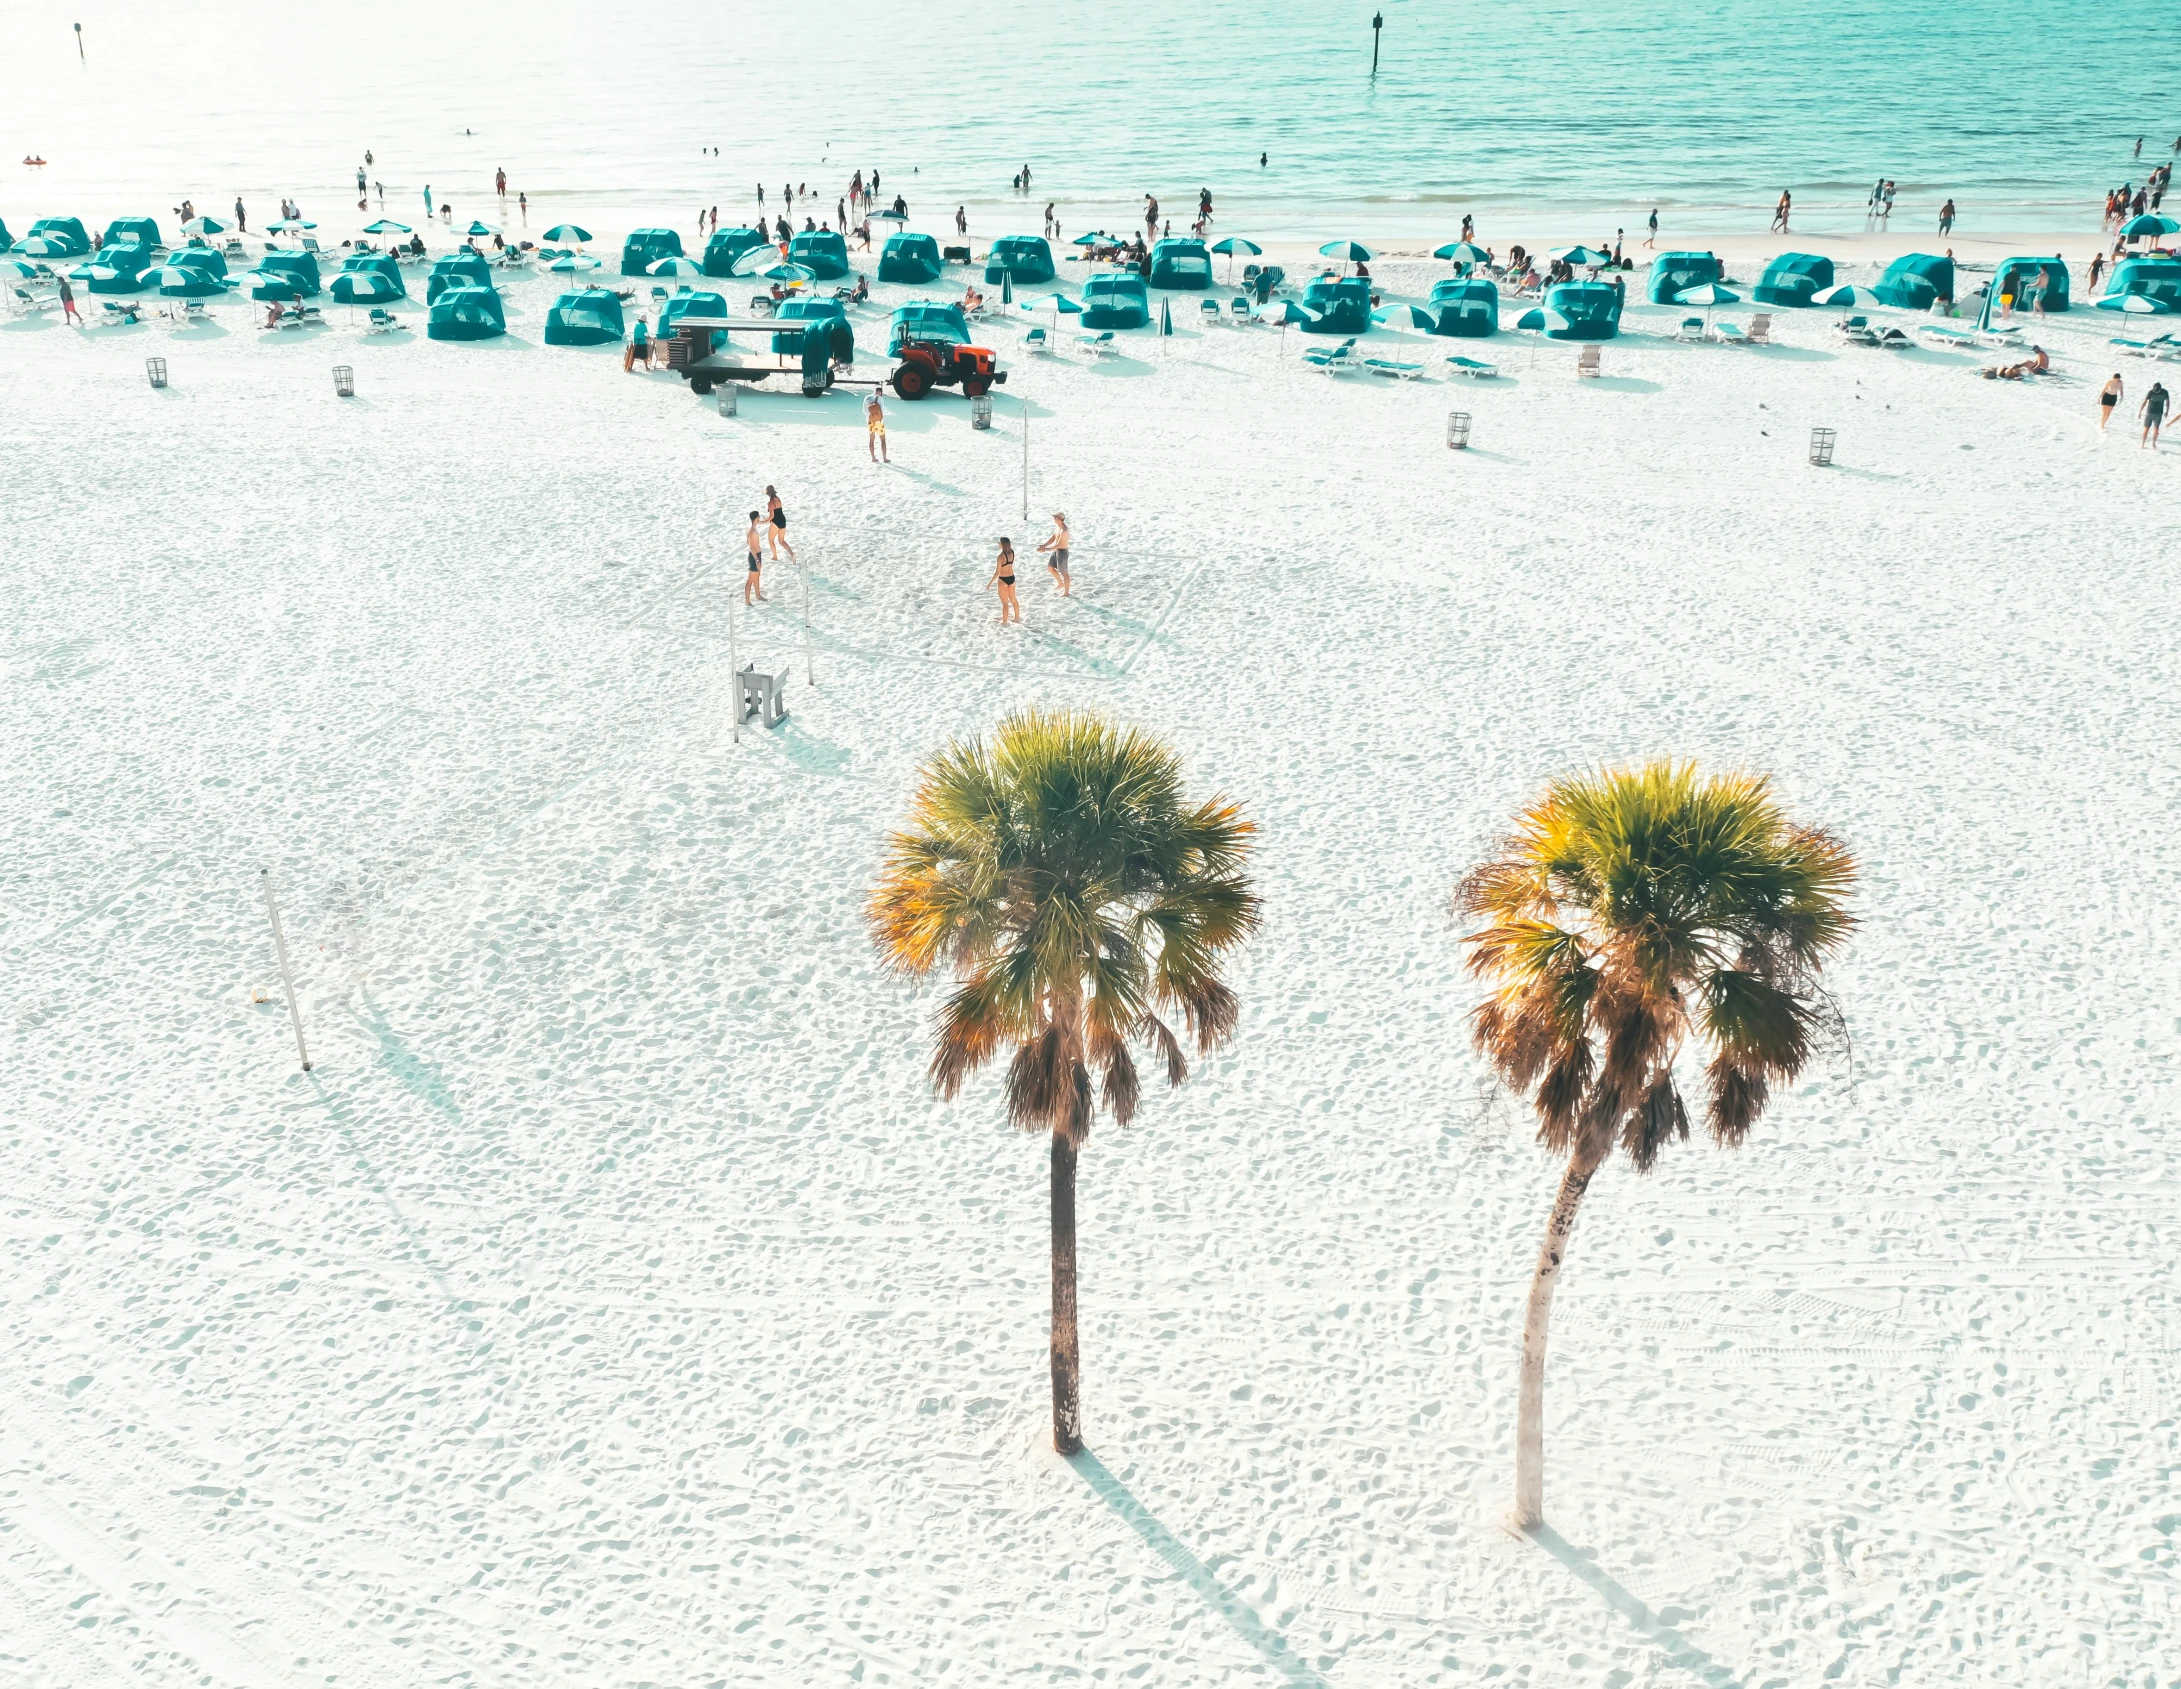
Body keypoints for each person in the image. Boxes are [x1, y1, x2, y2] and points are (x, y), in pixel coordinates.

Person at [1036, 512, 1071, 595]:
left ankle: (1066, 593)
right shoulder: (1058, 527)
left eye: (1055, 518)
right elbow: (1053, 538)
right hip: (1057, 551)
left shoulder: (1064, 530)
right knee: (1050, 568)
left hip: (1062, 552)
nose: (1054, 519)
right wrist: (1044, 545)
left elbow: (1058, 544)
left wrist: (1045, 549)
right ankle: (1060, 583)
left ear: (1059, 519)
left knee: (1064, 573)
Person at [988, 538, 1021, 624]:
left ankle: (1004, 622)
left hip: (1003, 579)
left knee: (1005, 603)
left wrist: (990, 583)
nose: (998, 543)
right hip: (1012, 578)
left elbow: (997, 572)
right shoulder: (1012, 552)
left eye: (999, 542)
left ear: (1003, 544)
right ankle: (1017, 618)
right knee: (1013, 599)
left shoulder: (1000, 557)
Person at [765, 485, 795, 562]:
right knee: (781, 541)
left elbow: (772, 516)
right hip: (782, 520)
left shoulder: (770, 503)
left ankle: (775, 556)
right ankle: (792, 554)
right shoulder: (778, 499)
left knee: (771, 540)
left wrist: (763, 521)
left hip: (776, 522)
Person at [745, 512, 768, 604]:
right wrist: (757, 560)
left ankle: (758, 595)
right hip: (754, 556)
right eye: (758, 516)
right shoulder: (752, 531)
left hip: (757, 554)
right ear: (756, 518)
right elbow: (751, 546)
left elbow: (748, 542)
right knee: (750, 579)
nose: (759, 518)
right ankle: (747, 601)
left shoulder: (751, 529)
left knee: (757, 576)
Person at [2143, 381, 2170, 448]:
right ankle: (2143, 444)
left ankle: (2153, 443)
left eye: (2157, 390)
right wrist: (2140, 411)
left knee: (2156, 429)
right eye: (2155, 390)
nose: (2156, 391)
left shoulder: (2165, 392)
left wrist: (2167, 411)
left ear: (2160, 389)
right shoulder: (2150, 392)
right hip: (2150, 412)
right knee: (2146, 428)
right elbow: (2145, 401)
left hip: (2159, 413)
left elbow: (2168, 402)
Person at [865, 388, 888, 462]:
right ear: (880, 392)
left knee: (871, 440)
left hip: (870, 421)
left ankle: (873, 458)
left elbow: (863, 410)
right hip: (879, 422)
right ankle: (884, 458)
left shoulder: (867, 398)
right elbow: (882, 410)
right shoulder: (880, 399)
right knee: (883, 440)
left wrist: (870, 415)